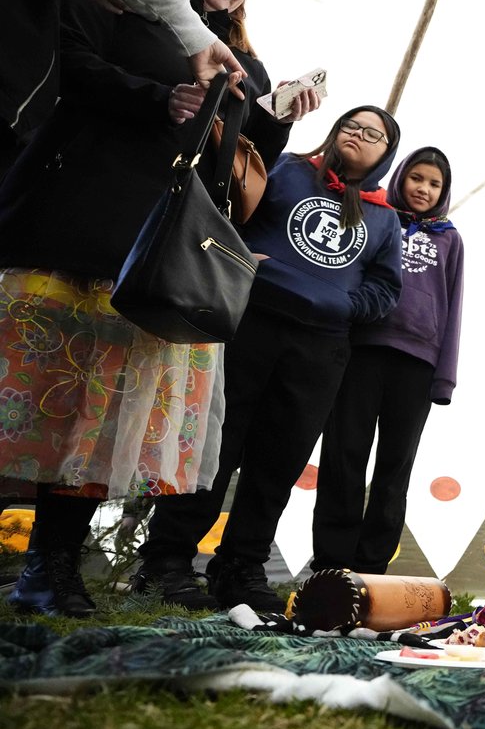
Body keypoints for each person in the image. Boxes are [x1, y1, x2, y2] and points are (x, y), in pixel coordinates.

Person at [0, 0, 311, 617]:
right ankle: (40, 565)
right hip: (72, 224)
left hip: (152, 251)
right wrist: (156, 97)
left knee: (94, 414)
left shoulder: (239, 58)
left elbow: (237, 154)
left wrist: (278, 117)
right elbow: (65, 62)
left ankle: (50, 567)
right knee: (30, 398)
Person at [133, 105, 403, 612]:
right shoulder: (287, 169)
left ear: (386, 154)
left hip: (321, 346)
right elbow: (230, 208)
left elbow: (386, 288)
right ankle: (166, 560)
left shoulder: (385, 218)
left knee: (279, 461)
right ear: (334, 131)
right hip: (248, 322)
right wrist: (239, 256)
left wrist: (345, 305)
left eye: (374, 134)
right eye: (352, 126)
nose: (359, 136)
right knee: (214, 444)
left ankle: (240, 566)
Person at [1, 0, 245, 177]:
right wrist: (159, 98)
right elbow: (69, 59)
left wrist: (276, 122)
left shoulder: (241, 58)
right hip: (67, 171)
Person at [311, 147, 464, 574]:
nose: (424, 189)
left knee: (395, 467)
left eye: (434, 184)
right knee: (344, 453)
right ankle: (331, 564)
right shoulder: (376, 218)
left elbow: (454, 306)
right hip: (361, 352)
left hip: (417, 364)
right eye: (417, 178)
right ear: (400, 178)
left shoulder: (450, 238)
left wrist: (445, 378)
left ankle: (371, 569)